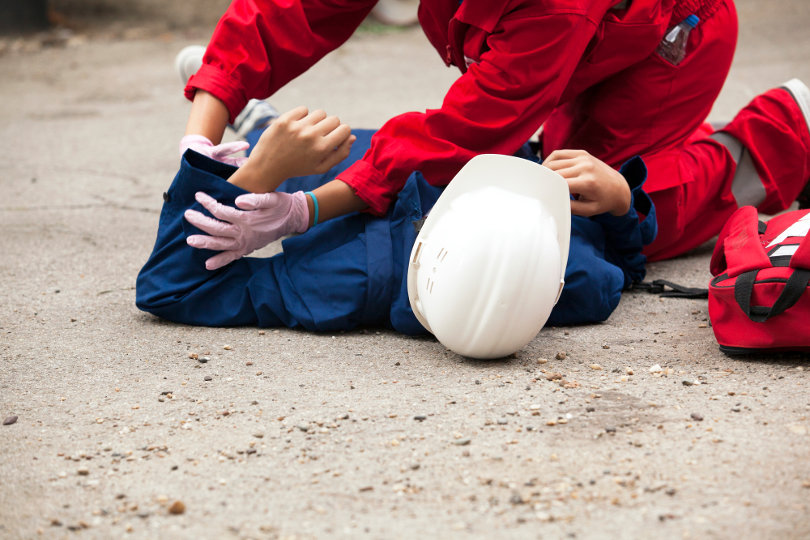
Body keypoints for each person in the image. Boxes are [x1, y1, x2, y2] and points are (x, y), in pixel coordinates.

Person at [177, 0, 810, 264]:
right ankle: (265, 133)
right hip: (582, 42)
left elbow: (465, 135)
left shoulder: (554, 8)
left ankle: (774, 138)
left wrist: (302, 210)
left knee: (597, 210)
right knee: (522, 171)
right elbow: (293, 10)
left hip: (672, 41)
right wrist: (199, 135)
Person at [136, 108, 656, 339]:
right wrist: (618, 201)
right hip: (380, 156)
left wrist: (249, 177)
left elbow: (168, 290)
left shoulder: (341, 287)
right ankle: (259, 128)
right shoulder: (576, 277)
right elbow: (627, 267)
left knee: (296, 144)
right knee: (345, 141)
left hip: (319, 167)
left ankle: (254, 133)